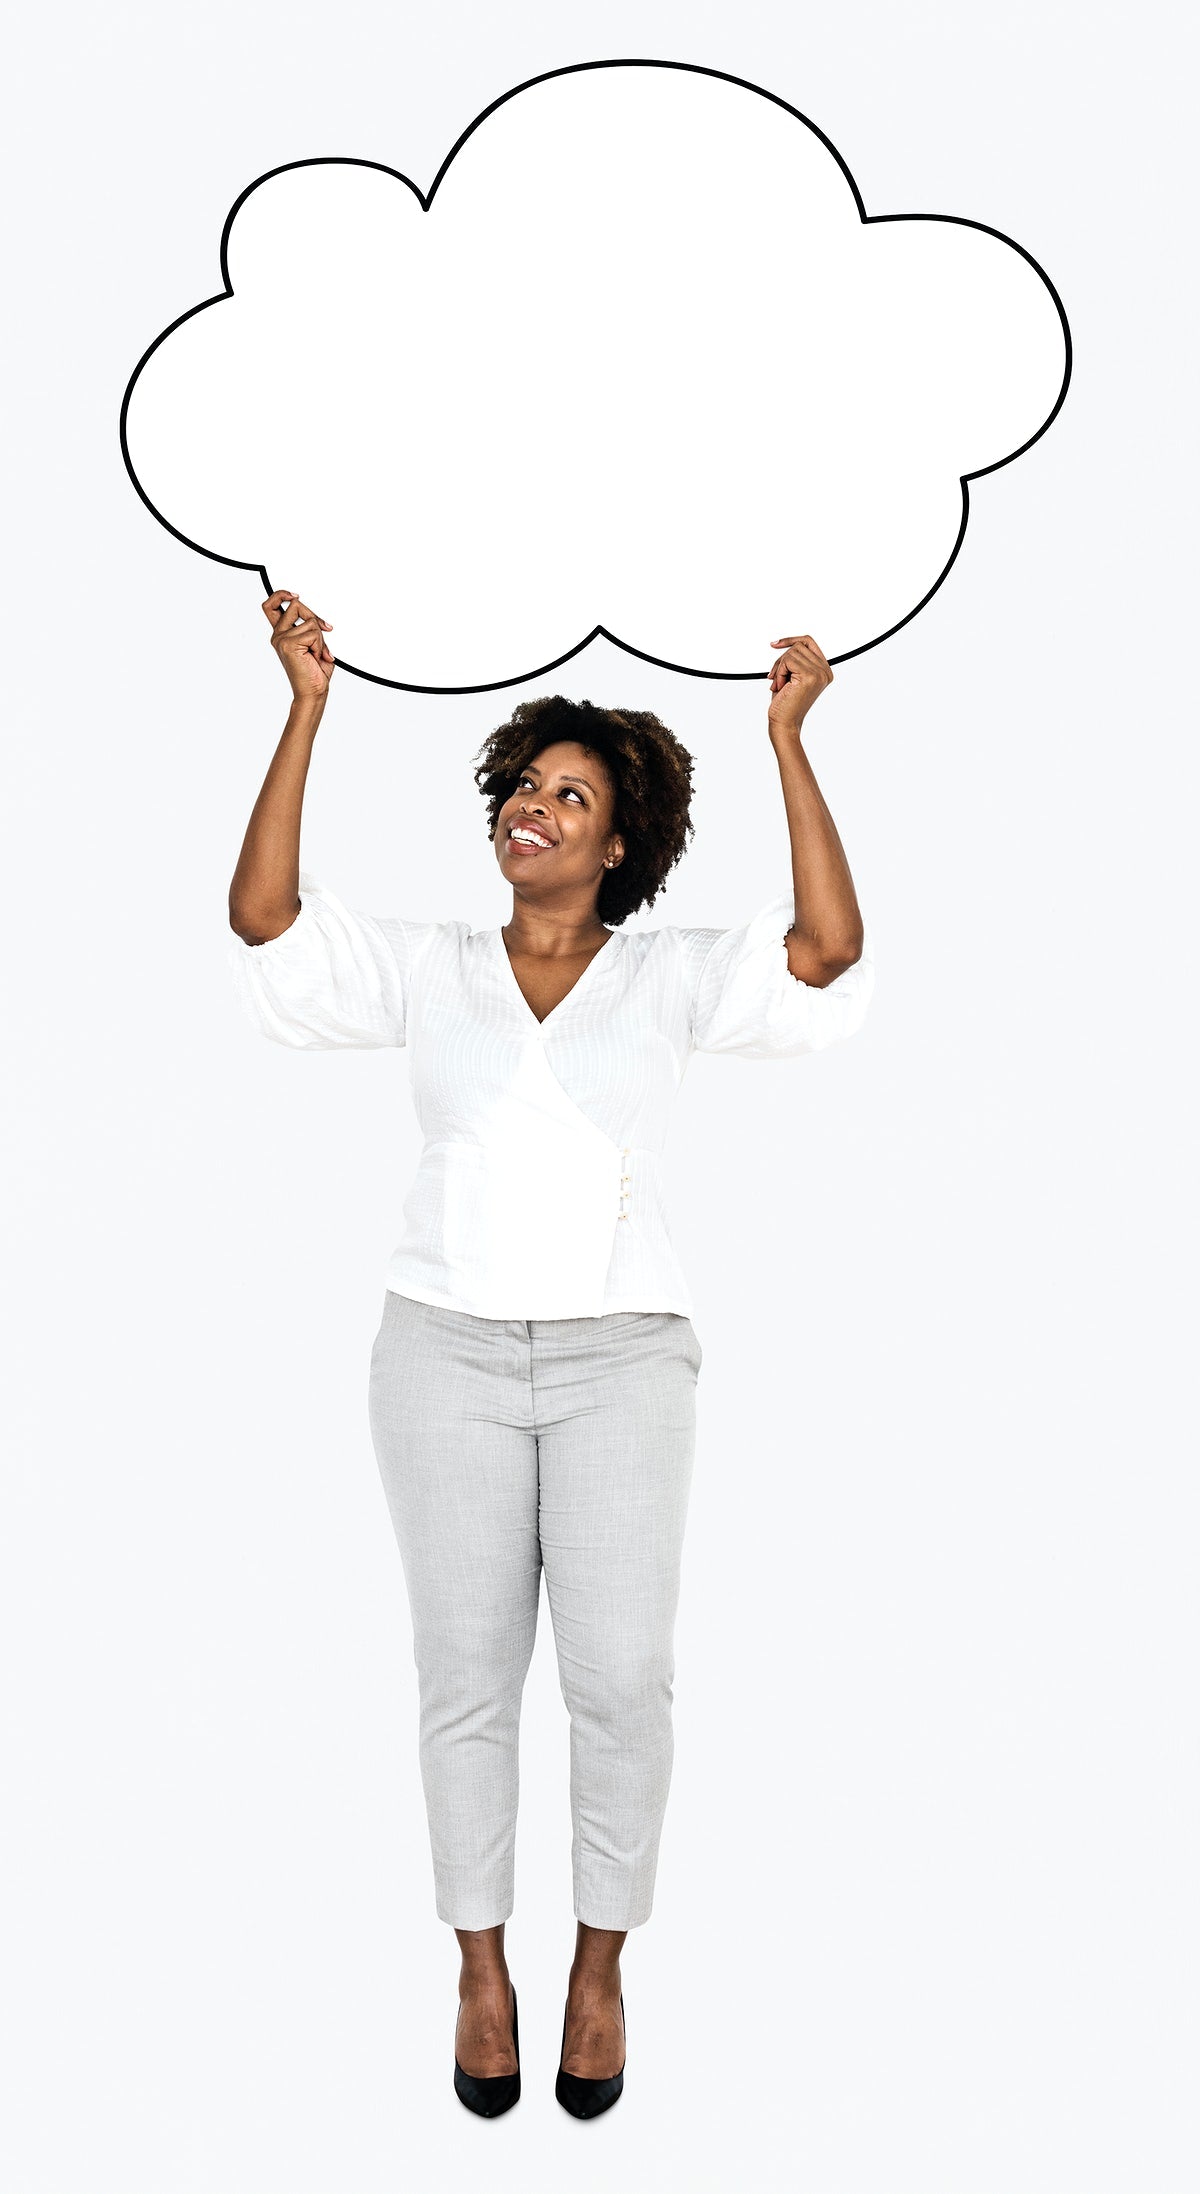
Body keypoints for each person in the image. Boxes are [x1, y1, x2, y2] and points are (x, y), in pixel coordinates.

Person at [227, 590, 874, 2120]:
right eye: (525, 783)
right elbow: (264, 917)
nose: (534, 805)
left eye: (572, 795)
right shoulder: (431, 964)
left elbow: (829, 948)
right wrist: (307, 705)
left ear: (619, 842)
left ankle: (598, 1964)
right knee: (463, 1678)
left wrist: (787, 739)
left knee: (623, 1680)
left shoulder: (669, 975)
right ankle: (478, 1966)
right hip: (440, 1353)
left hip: (622, 1361)